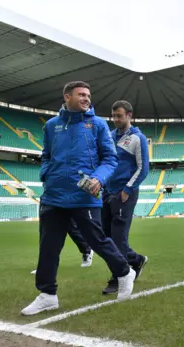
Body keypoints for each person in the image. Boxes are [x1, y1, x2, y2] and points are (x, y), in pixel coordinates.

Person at [21, 81, 136, 316]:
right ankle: (47, 295)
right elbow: (46, 155)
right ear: (67, 97)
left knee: (97, 240)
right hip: (53, 196)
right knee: (49, 247)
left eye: (88, 95)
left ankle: (125, 272)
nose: (86, 98)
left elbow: (110, 159)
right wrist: (46, 175)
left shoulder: (97, 125)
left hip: (84, 195)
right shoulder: (51, 126)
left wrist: (99, 179)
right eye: (81, 94)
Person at [100, 100, 150, 295]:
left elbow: (143, 168)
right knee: (105, 237)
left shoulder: (138, 138)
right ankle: (136, 260)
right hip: (107, 192)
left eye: (119, 116)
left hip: (124, 193)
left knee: (119, 236)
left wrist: (127, 189)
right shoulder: (110, 137)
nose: (115, 119)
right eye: (113, 116)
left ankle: (118, 277)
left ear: (130, 115)